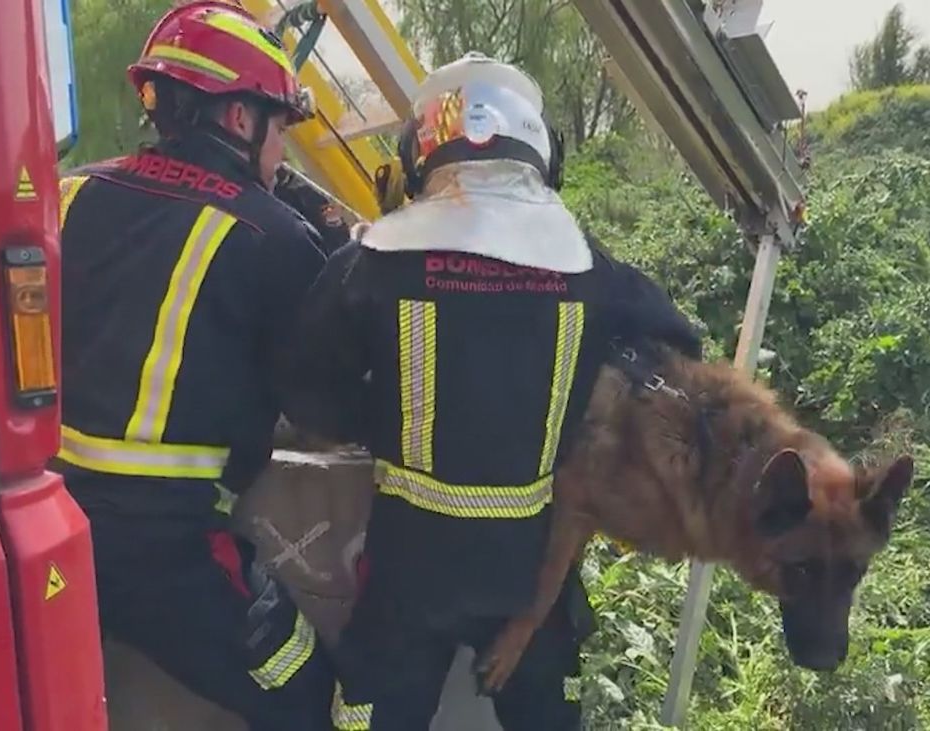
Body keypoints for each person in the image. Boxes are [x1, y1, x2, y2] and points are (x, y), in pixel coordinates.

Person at [277, 52, 704, 730]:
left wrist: (384, 419)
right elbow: (678, 349)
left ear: (419, 155)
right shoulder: (589, 268)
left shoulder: (372, 262)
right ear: (541, 151)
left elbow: (306, 395)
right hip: (527, 568)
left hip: (410, 567)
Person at [53, 3, 367, 728]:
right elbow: (322, 401)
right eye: (281, 128)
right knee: (308, 689)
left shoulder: (69, 192)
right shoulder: (272, 236)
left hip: (45, 524)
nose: (282, 151)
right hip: (160, 549)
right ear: (239, 118)